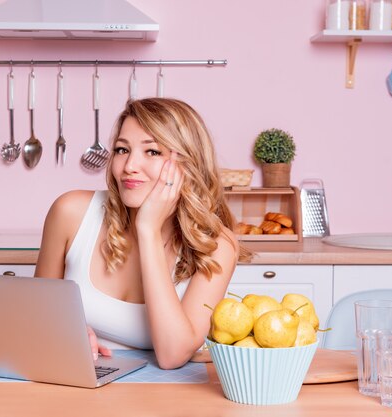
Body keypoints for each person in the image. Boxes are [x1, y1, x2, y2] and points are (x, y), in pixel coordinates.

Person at [35, 98, 241, 370]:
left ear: (188, 163)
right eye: (122, 149)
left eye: (152, 152)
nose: (129, 165)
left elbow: (172, 354)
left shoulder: (216, 245)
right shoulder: (70, 212)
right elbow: (37, 313)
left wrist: (148, 230)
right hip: (74, 379)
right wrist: (66, 329)